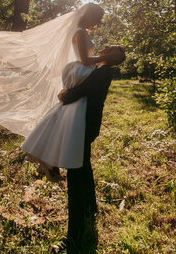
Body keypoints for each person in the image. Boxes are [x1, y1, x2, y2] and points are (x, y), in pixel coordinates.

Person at [20, 3, 109, 180]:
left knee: (64, 116)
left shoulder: (80, 31)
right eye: (97, 19)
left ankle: (51, 158)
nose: (98, 23)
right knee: (71, 116)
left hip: (84, 70)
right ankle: (52, 158)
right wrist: (107, 58)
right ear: (89, 16)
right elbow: (84, 59)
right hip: (83, 70)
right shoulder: (80, 32)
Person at [54, 45, 126, 252]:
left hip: (83, 126)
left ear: (114, 56)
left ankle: (74, 234)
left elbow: (79, 92)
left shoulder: (103, 72)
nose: (104, 48)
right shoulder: (98, 69)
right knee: (84, 166)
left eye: (110, 48)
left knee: (75, 174)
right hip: (85, 124)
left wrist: (64, 95)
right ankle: (90, 208)